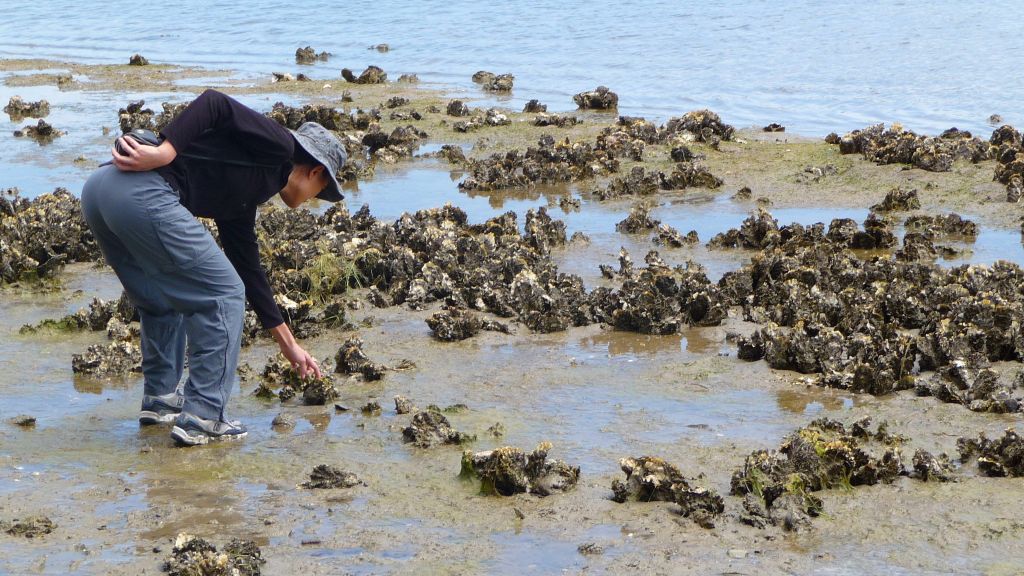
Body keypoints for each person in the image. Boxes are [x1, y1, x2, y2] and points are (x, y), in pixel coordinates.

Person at [81, 89, 347, 446]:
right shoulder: (281, 148)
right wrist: (165, 151)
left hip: (101, 191)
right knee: (224, 295)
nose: (314, 199)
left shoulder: (245, 195)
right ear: (316, 171)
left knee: (161, 298)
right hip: (142, 190)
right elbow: (214, 103)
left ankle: (160, 400)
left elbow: (249, 271)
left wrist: (289, 345)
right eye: (321, 190)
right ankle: (205, 416)